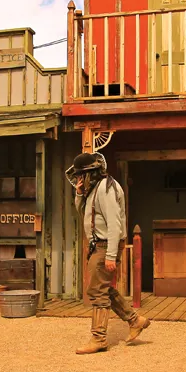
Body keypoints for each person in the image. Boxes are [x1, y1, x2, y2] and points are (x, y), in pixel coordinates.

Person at [66, 151, 150, 354]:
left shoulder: (106, 188)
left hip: (105, 245)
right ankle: (134, 320)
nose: (78, 179)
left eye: (80, 175)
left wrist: (111, 255)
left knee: (97, 291)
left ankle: (99, 338)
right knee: (101, 288)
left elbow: (114, 223)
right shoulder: (95, 189)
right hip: (99, 245)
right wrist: (79, 194)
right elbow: (84, 213)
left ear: (89, 174)